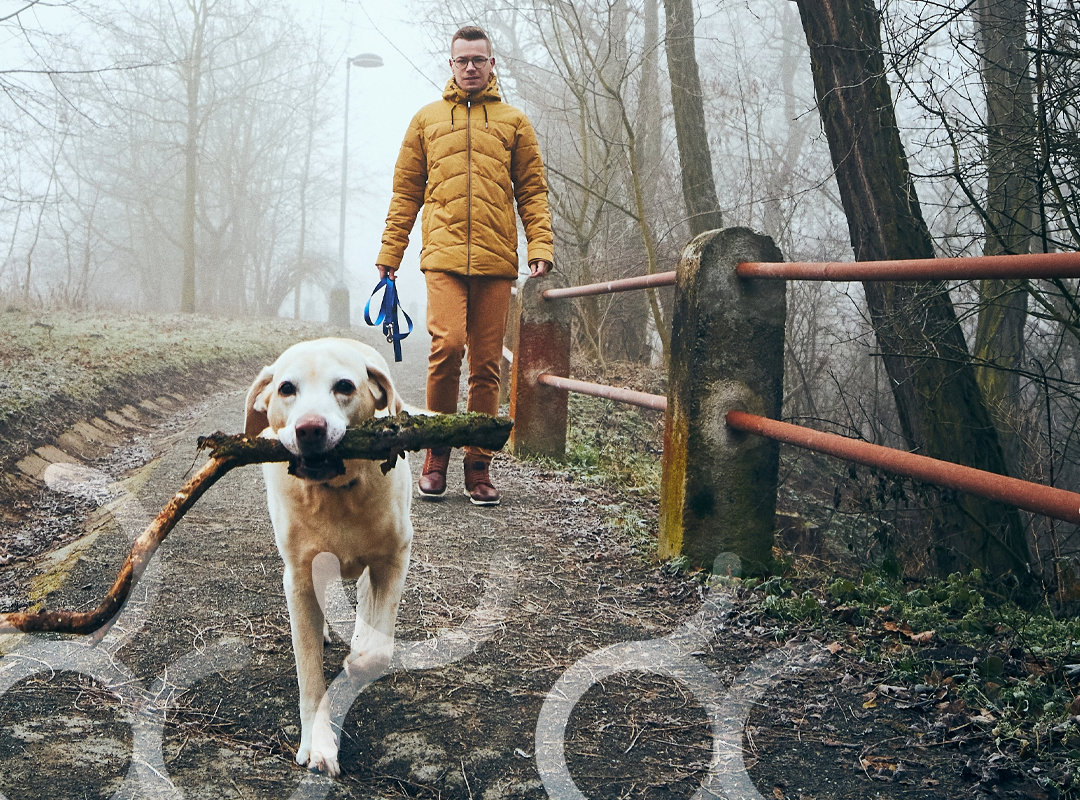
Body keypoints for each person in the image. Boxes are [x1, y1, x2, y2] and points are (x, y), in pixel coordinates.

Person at [376, 25, 553, 506]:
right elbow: (406, 193)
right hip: (443, 257)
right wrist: (390, 255)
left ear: (492, 65)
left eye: (479, 59)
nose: (471, 67)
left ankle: (479, 466)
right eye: (462, 60)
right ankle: (436, 455)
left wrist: (540, 245)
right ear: (451, 65)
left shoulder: (515, 122)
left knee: (486, 365)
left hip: (497, 260)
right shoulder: (426, 120)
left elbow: (532, 191)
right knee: (448, 345)